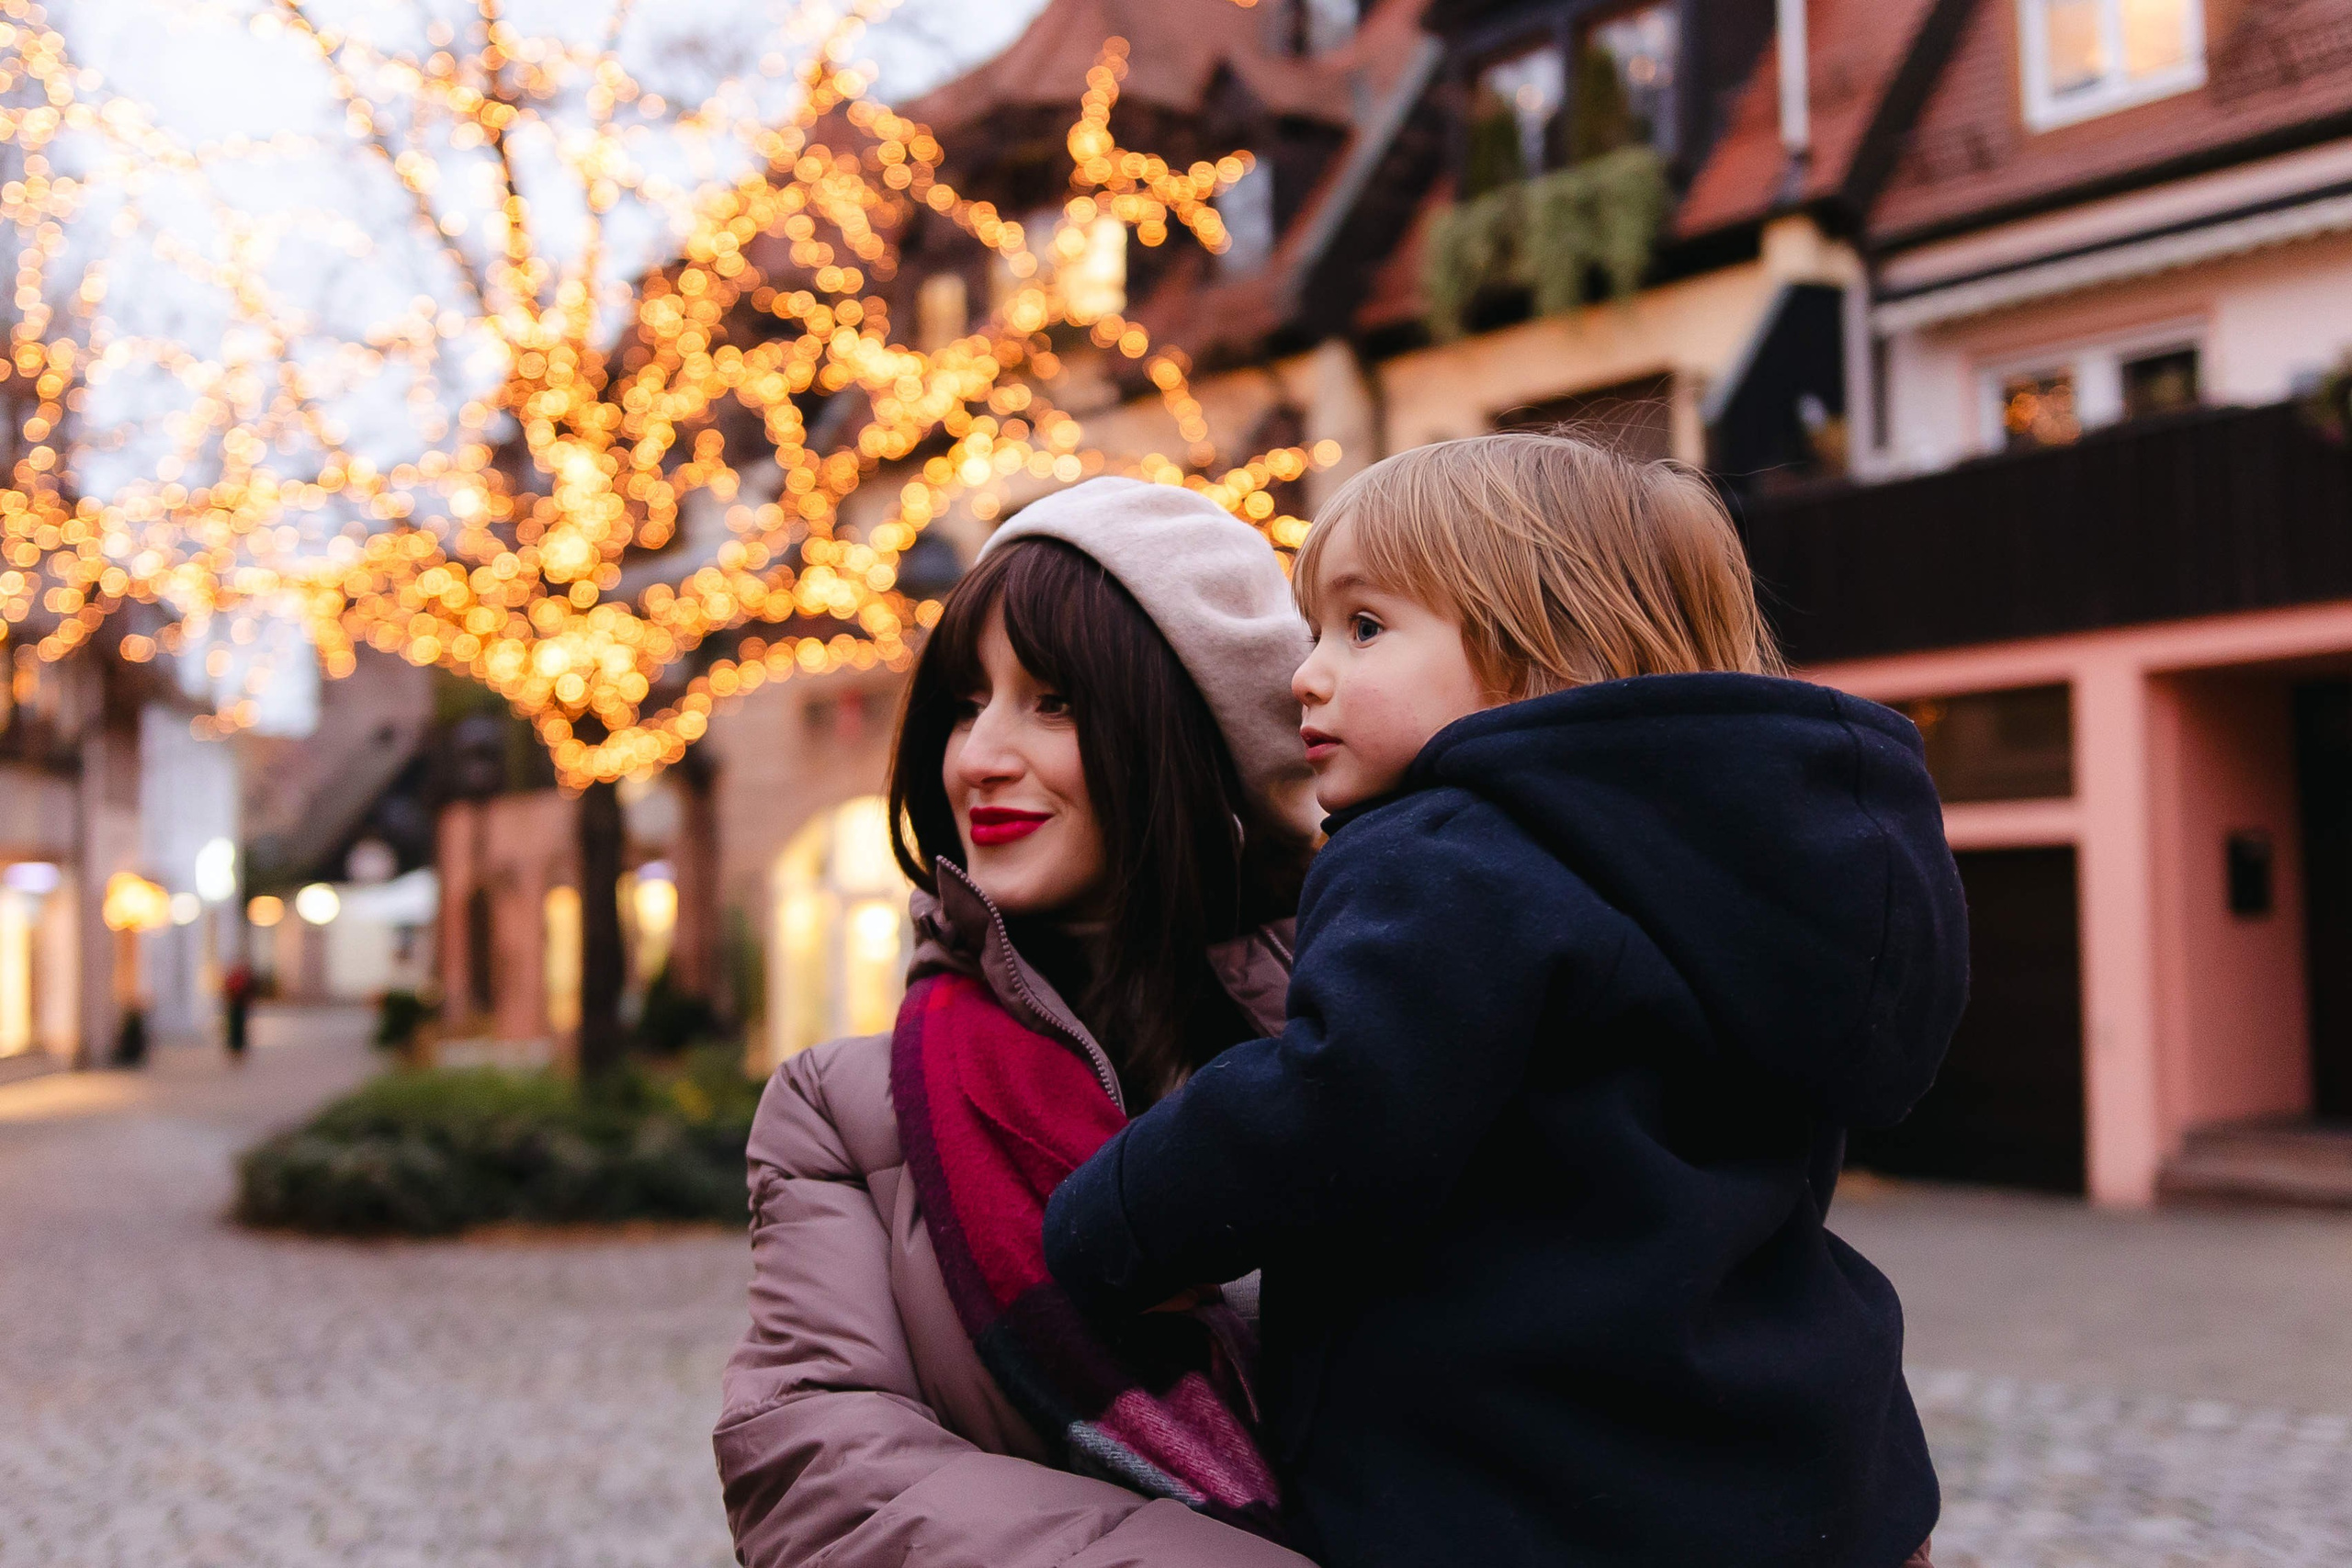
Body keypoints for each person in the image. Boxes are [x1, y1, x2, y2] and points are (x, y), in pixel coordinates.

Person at [1045, 433, 1966, 1568]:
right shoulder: (1750, 869)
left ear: (1541, 654)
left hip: (1519, 1491)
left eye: (1364, 627)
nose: (1306, 673)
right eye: (1313, 629)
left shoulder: (1446, 849)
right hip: (1812, 1478)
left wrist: (1117, 1215)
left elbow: (1332, 1106)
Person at [714, 478, 1322, 1568]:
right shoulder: (843, 1113)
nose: (979, 757)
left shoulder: (1384, 1049)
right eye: (964, 701)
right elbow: (817, 1470)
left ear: (1190, 735)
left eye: (1053, 701)